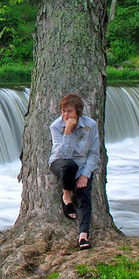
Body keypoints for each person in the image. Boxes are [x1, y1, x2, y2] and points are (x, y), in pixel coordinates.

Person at [48, 93, 99, 250]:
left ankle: (83, 235)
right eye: (63, 111)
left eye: (69, 111)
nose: (65, 115)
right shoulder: (56, 127)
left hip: (83, 165)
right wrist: (68, 132)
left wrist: (85, 175)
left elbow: (94, 153)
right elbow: (63, 155)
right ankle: (66, 195)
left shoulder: (90, 126)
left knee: (84, 194)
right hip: (60, 162)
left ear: (78, 111)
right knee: (69, 165)